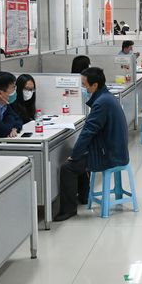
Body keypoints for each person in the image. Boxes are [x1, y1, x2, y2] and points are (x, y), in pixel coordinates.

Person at [56, 68, 129, 221]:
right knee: (81, 156)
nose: (83, 88)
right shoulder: (107, 98)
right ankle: (83, 196)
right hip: (113, 149)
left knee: (68, 168)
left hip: (109, 155)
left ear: (94, 85)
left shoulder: (101, 103)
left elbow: (87, 132)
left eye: (84, 85)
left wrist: (74, 156)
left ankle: (68, 210)